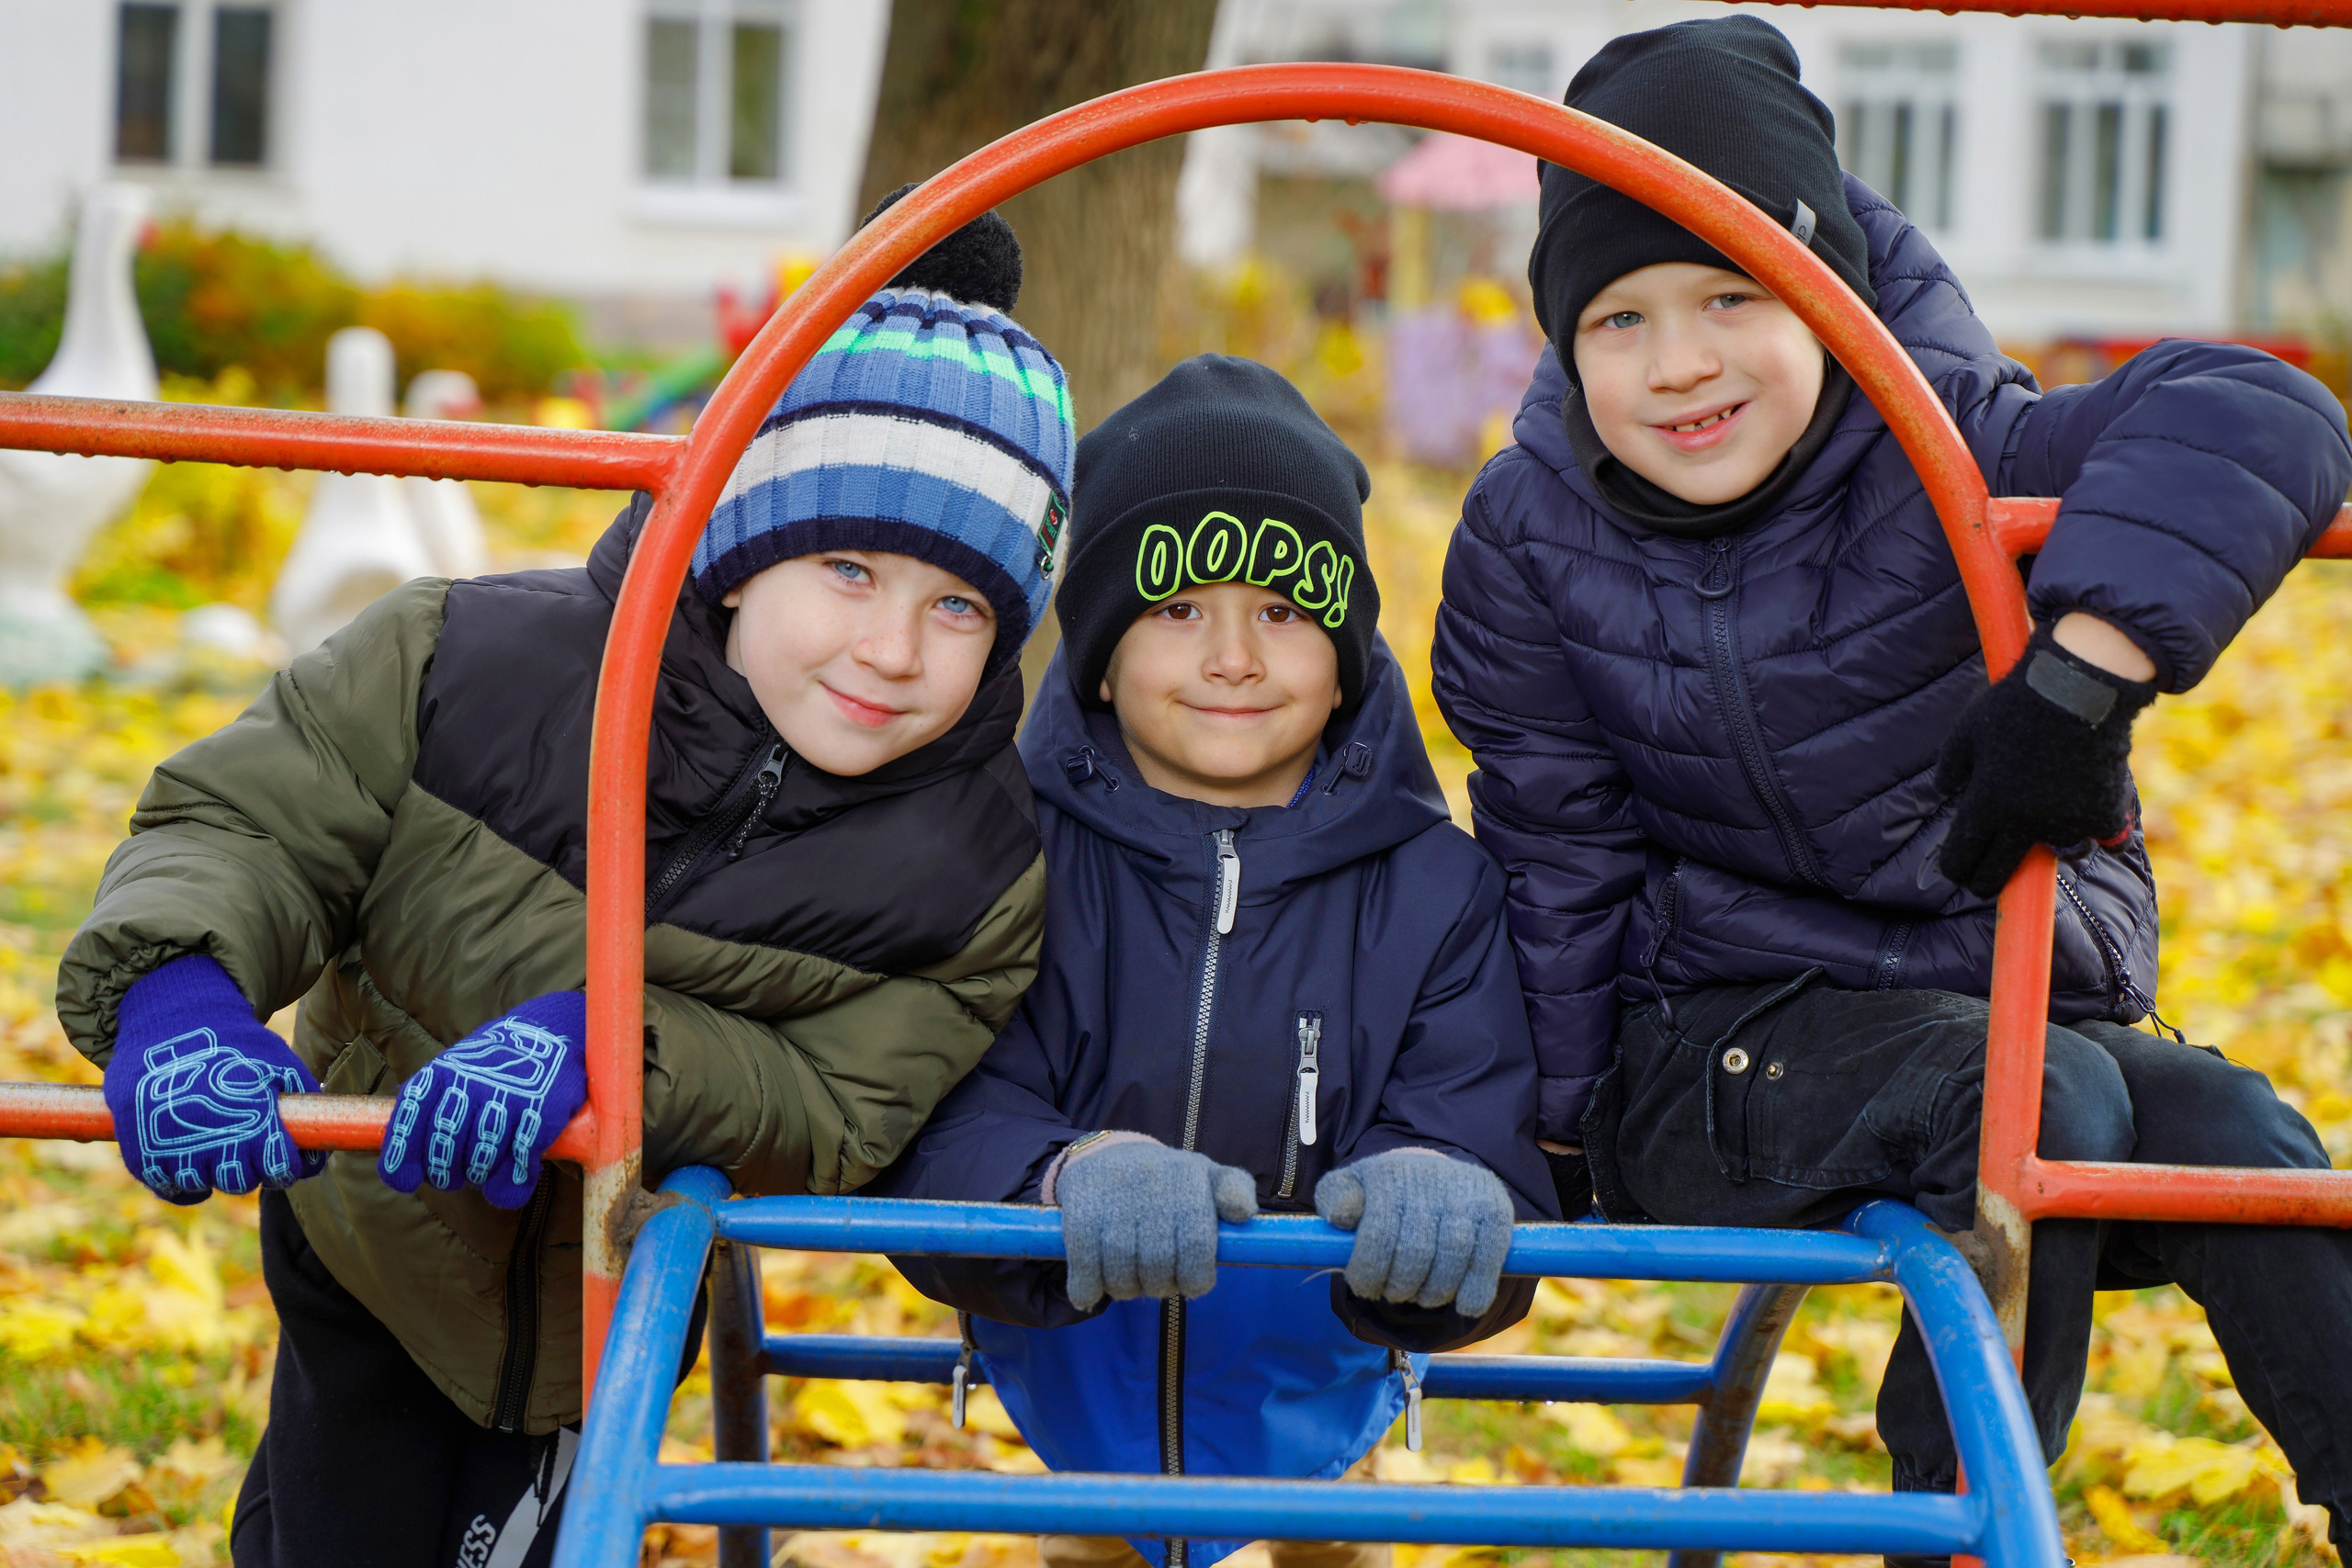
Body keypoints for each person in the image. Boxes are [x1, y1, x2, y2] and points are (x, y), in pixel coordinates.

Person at [1430, 16, 2352, 1559]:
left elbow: (2266, 412)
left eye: (1733, 294)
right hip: (1701, 1059)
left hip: (2002, 1019)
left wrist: (2081, 675)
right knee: (2032, 1097)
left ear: (1831, 286)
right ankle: (1960, 1527)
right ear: (1563, 339)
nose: (1681, 365)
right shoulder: (1534, 537)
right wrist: (1546, 1151)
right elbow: (1554, 853)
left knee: (2243, 1137)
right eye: (1620, 319)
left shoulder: (1963, 450)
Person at [58, 205, 1070, 1568]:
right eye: (846, 568)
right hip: (367, 1247)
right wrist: (177, 991)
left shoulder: (976, 860)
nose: (892, 647)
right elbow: (251, 819)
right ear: (737, 546)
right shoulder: (468, 661)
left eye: (959, 608)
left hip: (606, 1306)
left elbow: (841, 1104)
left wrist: (608, 1057)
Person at [873, 355, 1558, 1568]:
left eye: (1284, 613)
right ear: (1094, 653)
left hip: (1321, 1382)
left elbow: (1474, 1114)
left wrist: (1445, 1185)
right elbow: (939, 1117)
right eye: (1179, 609)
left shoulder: (1436, 887)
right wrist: (1060, 1172)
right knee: (1090, 1546)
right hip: (1068, 1365)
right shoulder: (1004, 860)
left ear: (1345, 647)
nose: (1234, 657)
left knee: (1332, 1544)